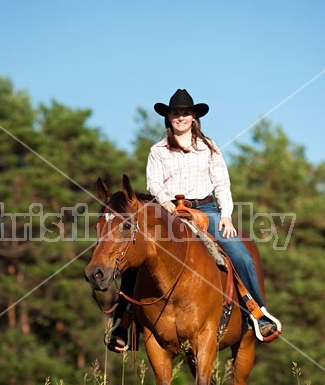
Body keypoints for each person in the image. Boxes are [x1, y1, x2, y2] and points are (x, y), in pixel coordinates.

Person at [105, 88, 282, 352]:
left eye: (185, 113)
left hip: (206, 210)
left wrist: (226, 216)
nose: (180, 118)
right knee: (136, 254)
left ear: (193, 117)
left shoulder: (208, 147)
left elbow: (222, 184)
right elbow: (154, 184)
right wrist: (167, 207)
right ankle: (124, 323)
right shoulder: (157, 151)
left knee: (241, 255)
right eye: (175, 113)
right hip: (168, 212)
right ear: (168, 118)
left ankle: (257, 313)